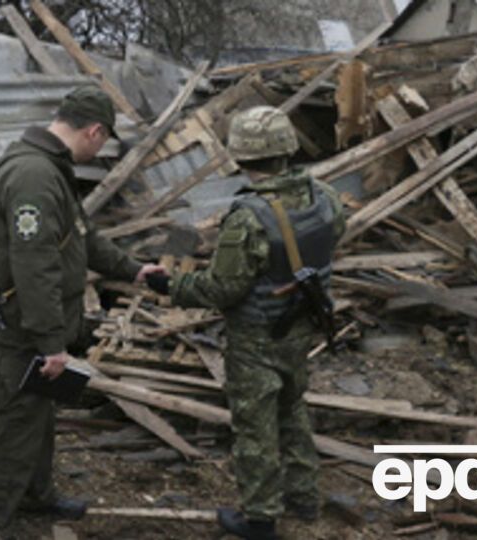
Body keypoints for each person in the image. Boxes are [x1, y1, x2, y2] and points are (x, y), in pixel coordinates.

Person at [0, 87, 166, 540]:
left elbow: (81, 237)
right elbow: (33, 266)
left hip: (25, 328)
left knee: (36, 418)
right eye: (104, 140)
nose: (102, 149)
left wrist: (133, 269)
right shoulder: (35, 175)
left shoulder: (48, 167)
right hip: (17, 330)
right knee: (13, 424)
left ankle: (36, 496)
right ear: (94, 131)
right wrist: (50, 343)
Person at [145, 106, 345, 540]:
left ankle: (259, 519)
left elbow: (223, 289)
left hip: (256, 338)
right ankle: (304, 497)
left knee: (255, 427)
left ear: (240, 155)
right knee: (293, 409)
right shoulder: (324, 195)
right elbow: (331, 245)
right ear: (287, 148)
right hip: (302, 327)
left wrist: (170, 286)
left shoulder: (248, 218)